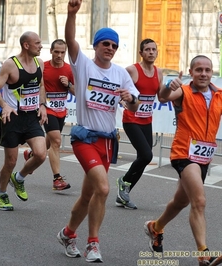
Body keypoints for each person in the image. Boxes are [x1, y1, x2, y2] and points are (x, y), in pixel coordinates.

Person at [56, 0, 139, 263]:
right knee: (103, 189)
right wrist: (71, 15)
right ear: (96, 45)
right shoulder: (83, 65)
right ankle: (93, 243)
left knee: (87, 195)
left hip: (107, 141)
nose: (110, 49)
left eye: (114, 45)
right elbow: (70, 41)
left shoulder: (120, 73)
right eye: (106, 44)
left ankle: (68, 233)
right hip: (84, 137)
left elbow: (134, 102)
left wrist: (130, 97)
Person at [144, 55, 222, 266]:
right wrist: (169, 85)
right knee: (199, 201)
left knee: (181, 201)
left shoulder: (219, 95)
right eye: (198, 70)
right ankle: (203, 253)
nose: (203, 74)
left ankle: (156, 227)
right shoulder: (184, 91)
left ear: (212, 72)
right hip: (184, 154)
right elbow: (162, 97)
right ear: (191, 72)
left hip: (204, 157)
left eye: (207, 70)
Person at [0, 31, 48, 211]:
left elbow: (41, 86)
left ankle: (19, 178)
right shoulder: (10, 65)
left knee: (40, 154)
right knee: (11, 161)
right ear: (26, 45)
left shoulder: (40, 63)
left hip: (31, 117)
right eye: (37, 43)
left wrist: (43, 105)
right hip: (13, 118)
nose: (41, 46)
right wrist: (4, 106)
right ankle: (1, 194)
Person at [115, 39, 166, 209]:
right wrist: (121, 100)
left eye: (154, 49)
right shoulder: (132, 70)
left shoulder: (159, 73)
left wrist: (174, 90)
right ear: (141, 53)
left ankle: (124, 193)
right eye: (148, 49)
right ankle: (124, 182)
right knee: (146, 155)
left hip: (147, 120)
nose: (151, 52)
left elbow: (162, 97)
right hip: (131, 119)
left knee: (143, 158)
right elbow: (117, 86)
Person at [24, 39, 75, 190]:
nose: (59, 55)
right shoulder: (43, 67)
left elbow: (77, 92)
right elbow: (39, 87)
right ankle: (57, 179)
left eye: (62, 52)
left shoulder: (69, 69)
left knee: (50, 141)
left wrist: (69, 84)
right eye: (56, 52)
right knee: (56, 142)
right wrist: (42, 105)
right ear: (51, 51)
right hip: (46, 110)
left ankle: (32, 156)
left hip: (61, 111)